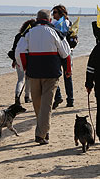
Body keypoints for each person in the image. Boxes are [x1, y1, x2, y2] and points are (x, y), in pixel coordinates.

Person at [15, 9, 71, 145]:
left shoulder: (28, 33)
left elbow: (20, 52)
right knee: (46, 104)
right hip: (51, 73)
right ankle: (42, 134)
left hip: (33, 73)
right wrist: (67, 70)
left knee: (38, 104)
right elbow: (66, 53)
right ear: (50, 19)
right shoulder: (55, 32)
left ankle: (43, 131)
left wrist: (25, 68)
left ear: (37, 18)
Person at [51, 5, 74, 108]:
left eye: (55, 12)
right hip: (67, 52)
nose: (53, 14)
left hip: (59, 53)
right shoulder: (69, 23)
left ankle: (60, 97)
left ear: (60, 13)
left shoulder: (55, 24)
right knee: (66, 76)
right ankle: (69, 99)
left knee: (55, 76)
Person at [8, 19, 36, 104]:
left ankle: (17, 96)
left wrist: (14, 61)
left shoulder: (18, 36)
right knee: (28, 79)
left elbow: (14, 49)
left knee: (20, 79)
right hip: (28, 59)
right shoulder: (31, 36)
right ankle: (27, 96)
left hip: (17, 59)